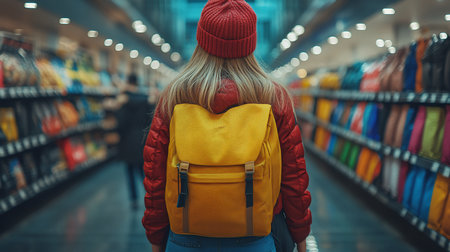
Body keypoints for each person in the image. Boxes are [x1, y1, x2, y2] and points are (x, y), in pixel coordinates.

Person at [142, 0, 311, 251]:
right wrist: (300, 236)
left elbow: (156, 174)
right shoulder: (273, 96)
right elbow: (293, 177)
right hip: (258, 232)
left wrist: (156, 238)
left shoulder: (176, 94)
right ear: (250, 43)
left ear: (201, 40)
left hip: (186, 232)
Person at [117, 69, 153, 208]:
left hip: (127, 140)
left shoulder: (123, 101)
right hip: (141, 139)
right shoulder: (145, 99)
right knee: (143, 171)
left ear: (127, 82)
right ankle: (150, 195)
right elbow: (149, 119)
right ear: (137, 83)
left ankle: (133, 200)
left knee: (130, 172)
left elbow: (121, 123)